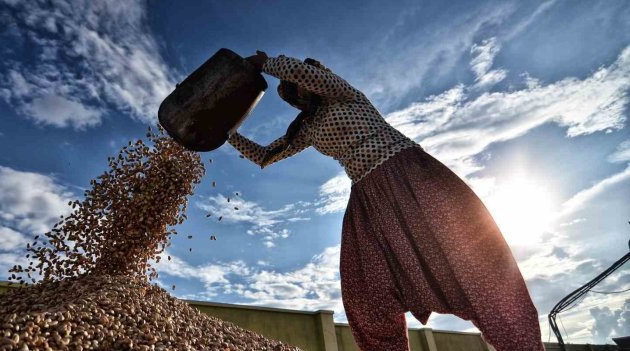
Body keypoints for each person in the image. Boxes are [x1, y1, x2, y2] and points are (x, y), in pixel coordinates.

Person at [228, 51, 545, 351]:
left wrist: (266, 61)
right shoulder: (308, 128)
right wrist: (227, 132)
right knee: (365, 291)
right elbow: (266, 156)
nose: (298, 91)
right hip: (369, 201)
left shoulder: (345, 94)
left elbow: (301, 72)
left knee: (472, 259)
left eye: (301, 83)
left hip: (410, 177)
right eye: (292, 91)